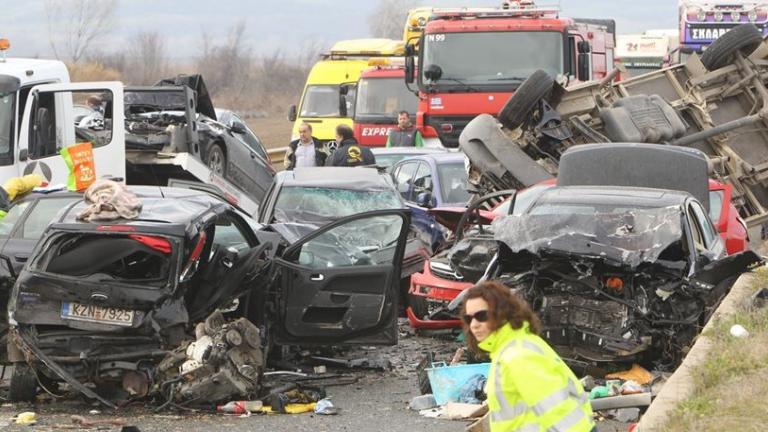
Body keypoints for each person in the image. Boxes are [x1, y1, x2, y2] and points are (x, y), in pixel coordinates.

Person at [462, 281, 595, 432]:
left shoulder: (518, 355)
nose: (474, 324)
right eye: (469, 319)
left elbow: (560, 413)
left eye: (481, 316)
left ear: (502, 312)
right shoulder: (511, 348)